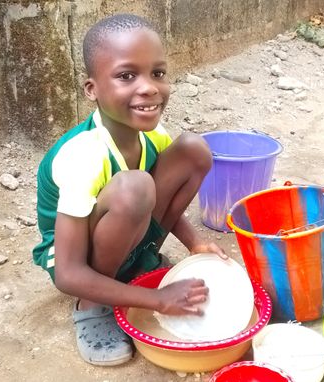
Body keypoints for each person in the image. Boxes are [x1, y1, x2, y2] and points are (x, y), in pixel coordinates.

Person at [32, 13, 226, 366]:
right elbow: (67, 273)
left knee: (193, 150)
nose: (150, 87)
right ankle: (93, 305)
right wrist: (158, 299)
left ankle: (138, 261)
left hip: (121, 229)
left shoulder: (153, 134)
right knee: (135, 187)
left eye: (158, 73)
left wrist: (193, 242)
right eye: (126, 76)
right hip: (72, 255)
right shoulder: (83, 155)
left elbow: (164, 198)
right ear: (91, 89)